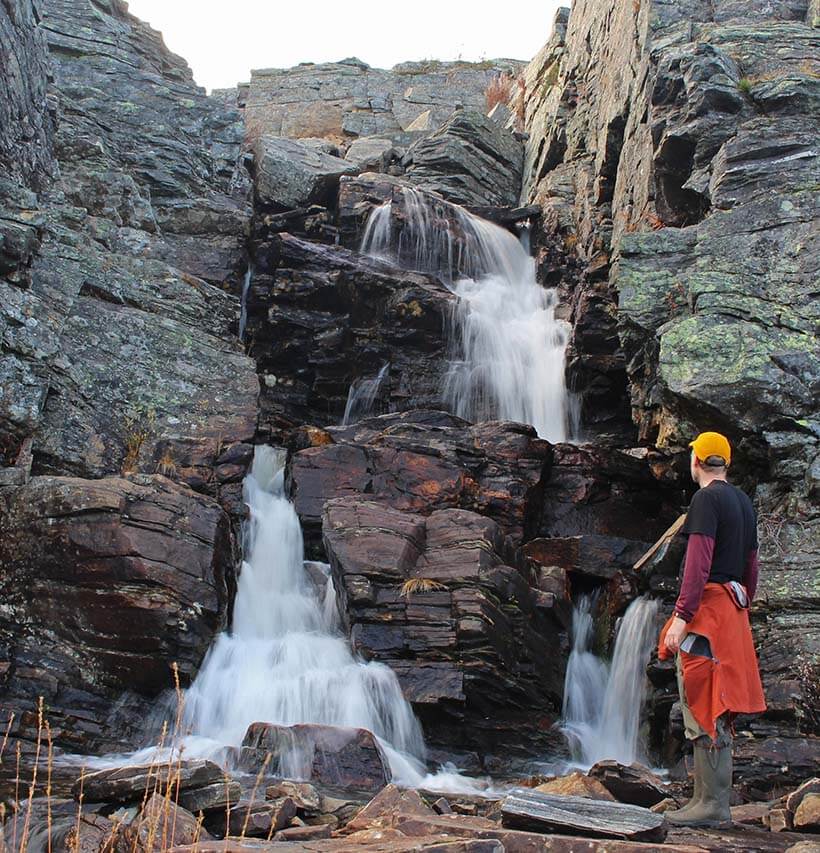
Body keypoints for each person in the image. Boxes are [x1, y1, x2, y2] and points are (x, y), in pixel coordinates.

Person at [658, 431, 766, 828]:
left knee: (703, 696)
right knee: (721, 698)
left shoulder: (705, 500)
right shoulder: (743, 502)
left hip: (708, 613)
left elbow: (698, 564)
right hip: (733, 610)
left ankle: (712, 805)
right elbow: (751, 566)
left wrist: (681, 616)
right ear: (727, 463)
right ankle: (704, 799)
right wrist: (743, 604)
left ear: (697, 461)